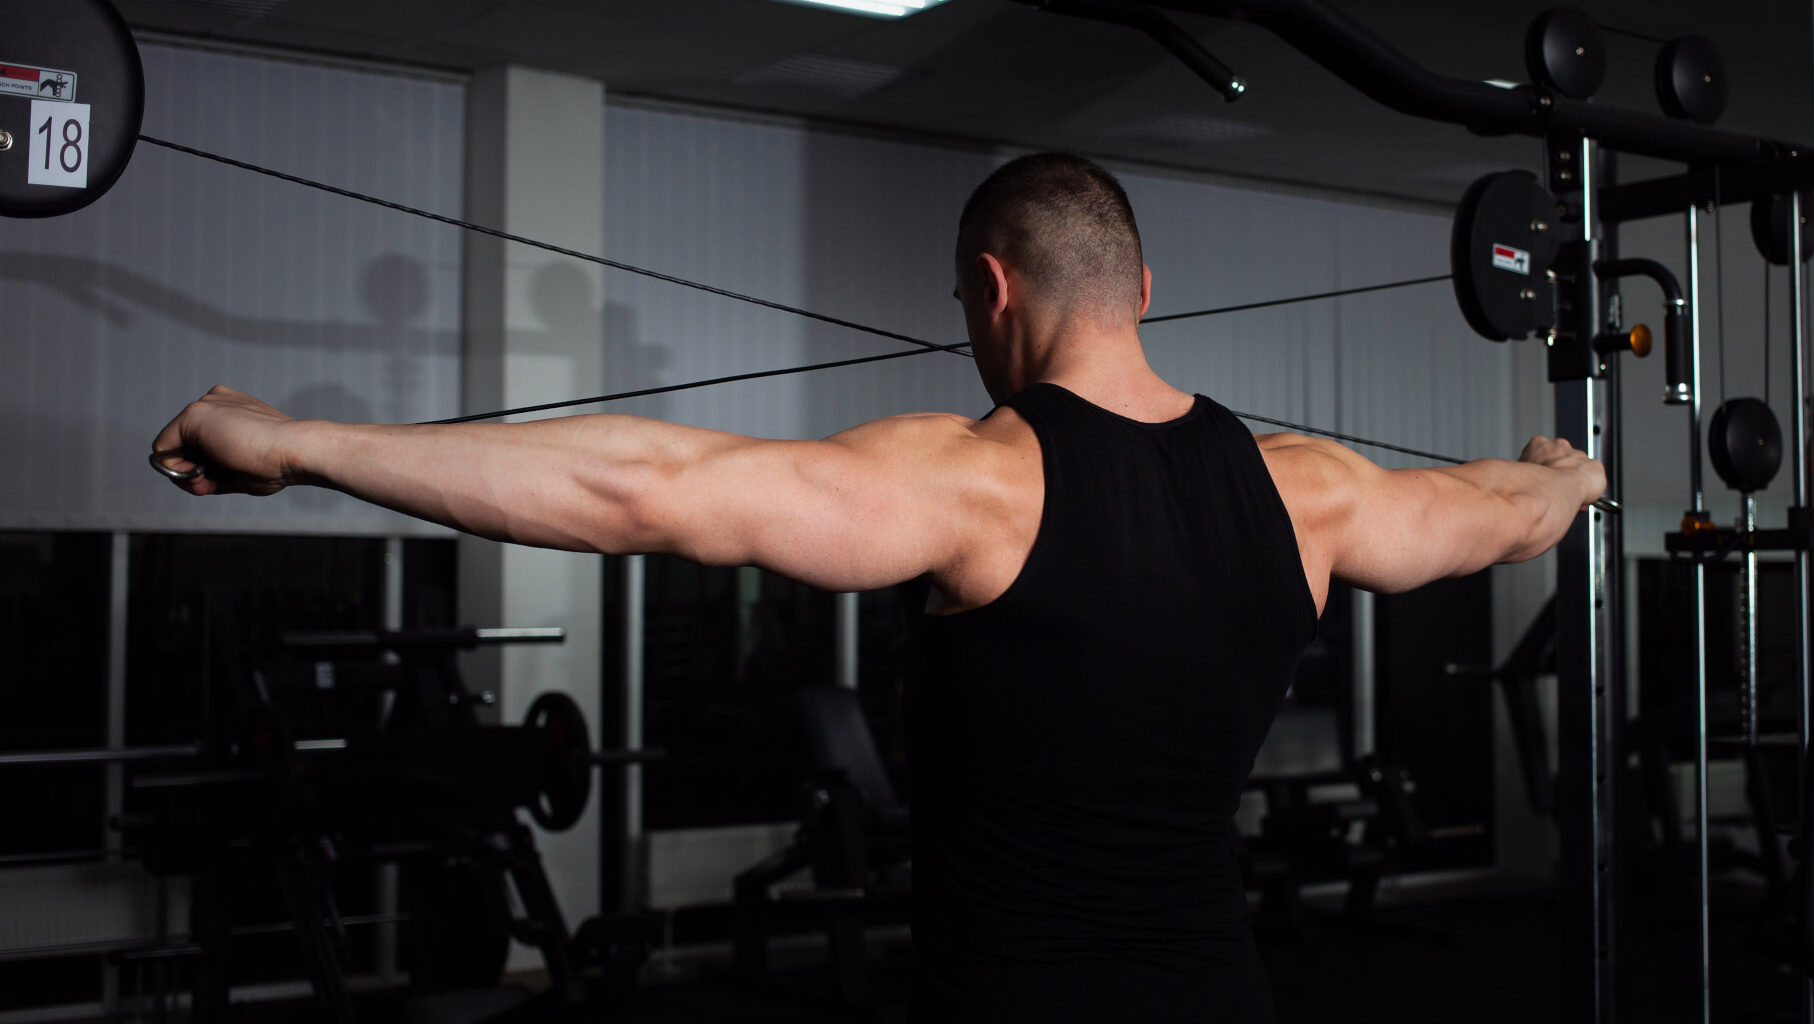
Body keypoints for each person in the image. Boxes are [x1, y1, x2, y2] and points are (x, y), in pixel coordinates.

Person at [153, 152, 1605, 1022]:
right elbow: (1501, 517)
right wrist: (1576, 472)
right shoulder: (1313, 492)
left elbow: (642, 491)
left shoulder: (975, 482)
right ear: (1145, 288)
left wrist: (294, 445)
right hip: (1220, 998)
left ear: (993, 290)